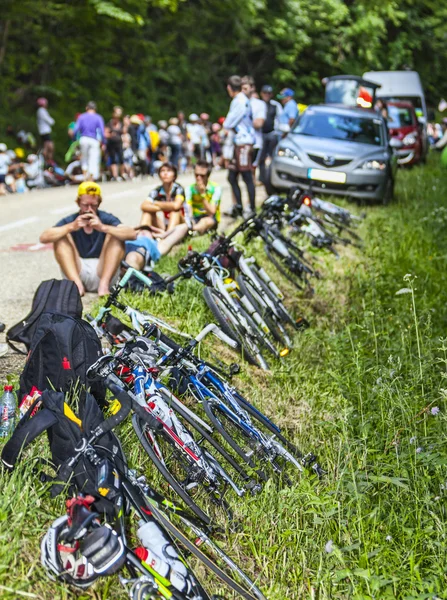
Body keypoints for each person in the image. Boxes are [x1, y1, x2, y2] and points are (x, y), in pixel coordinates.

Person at [39, 181, 136, 297]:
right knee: (60, 237)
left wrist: (103, 227)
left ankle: (103, 286)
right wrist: (71, 227)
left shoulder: (105, 218)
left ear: (99, 204)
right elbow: (44, 237)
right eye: (85, 205)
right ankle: (77, 286)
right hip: (77, 270)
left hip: (103, 270)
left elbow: (132, 234)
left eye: (93, 205)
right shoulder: (72, 219)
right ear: (78, 203)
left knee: (116, 235)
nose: (89, 209)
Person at [223, 75, 256, 217]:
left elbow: (229, 123)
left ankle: (252, 208)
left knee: (247, 176)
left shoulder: (239, 101)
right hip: (239, 142)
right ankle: (239, 207)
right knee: (232, 176)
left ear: (229, 88)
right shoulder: (242, 99)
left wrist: (225, 125)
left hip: (243, 142)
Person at [124, 223, 188, 272]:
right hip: (121, 248)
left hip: (138, 252)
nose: (143, 231)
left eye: (148, 231)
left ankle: (128, 281)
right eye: (140, 230)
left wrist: (163, 235)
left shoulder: (157, 245)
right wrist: (133, 230)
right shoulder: (128, 238)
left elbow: (184, 227)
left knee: (132, 258)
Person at [140, 163, 186, 231]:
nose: (165, 173)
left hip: (182, 224)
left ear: (174, 175)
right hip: (166, 225)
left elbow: (176, 206)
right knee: (147, 212)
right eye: (162, 171)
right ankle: (142, 237)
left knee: (175, 212)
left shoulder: (178, 189)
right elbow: (143, 206)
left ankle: (168, 238)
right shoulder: (157, 191)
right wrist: (165, 207)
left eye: (169, 171)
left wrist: (156, 203)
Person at [185, 159, 221, 234]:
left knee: (205, 221)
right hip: (195, 218)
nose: (198, 178)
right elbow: (189, 207)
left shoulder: (216, 188)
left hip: (210, 218)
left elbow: (211, 211)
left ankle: (191, 230)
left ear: (208, 176)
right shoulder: (189, 189)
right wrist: (190, 219)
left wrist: (202, 194)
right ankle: (192, 229)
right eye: (196, 175)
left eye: (202, 176)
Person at [241, 76, 266, 179]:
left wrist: (244, 122)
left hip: (255, 142)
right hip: (241, 142)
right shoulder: (238, 102)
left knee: (251, 170)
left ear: (252, 88)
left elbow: (259, 123)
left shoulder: (259, 104)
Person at [258, 84, 283, 187]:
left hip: (272, 134)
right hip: (261, 134)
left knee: (272, 157)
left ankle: (272, 177)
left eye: (268, 93)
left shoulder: (275, 105)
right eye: (265, 93)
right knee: (261, 157)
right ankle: (262, 178)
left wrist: (279, 132)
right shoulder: (258, 104)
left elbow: (280, 119)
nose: (266, 95)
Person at [73, 102, 105, 181]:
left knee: (84, 158)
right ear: (95, 109)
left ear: (87, 108)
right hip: (93, 140)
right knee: (93, 159)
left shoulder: (81, 117)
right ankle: (91, 178)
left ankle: (84, 176)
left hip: (83, 139)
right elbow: (102, 131)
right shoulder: (98, 117)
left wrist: (74, 140)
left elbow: (76, 129)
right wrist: (104, 142)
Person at [105, 106, 124, 181]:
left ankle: (122, 174)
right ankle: (115, 175)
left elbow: (125, 132)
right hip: (111, 144)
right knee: (113, 159)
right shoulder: (109, 124)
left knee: (121, 158)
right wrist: (110, 135)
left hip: (119, 143)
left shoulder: (121, 124)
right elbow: (105, 133)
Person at [36, 98, 55, 163]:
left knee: (49, 147)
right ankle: (45, 162)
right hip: (44, 131)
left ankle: (48, 161)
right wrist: (52, 121)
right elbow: (49, 120)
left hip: (45, 131)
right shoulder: (41, 111)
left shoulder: (41, 111)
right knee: (47, 148)